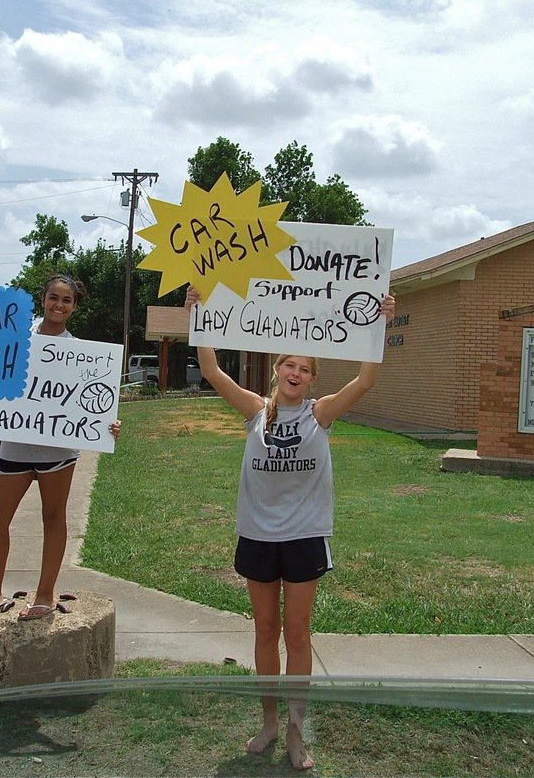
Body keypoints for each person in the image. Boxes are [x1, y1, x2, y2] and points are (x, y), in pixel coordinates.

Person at [185, 285, 395, 772]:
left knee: (297, 635)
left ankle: (297, 733)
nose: (296, 373)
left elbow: (365, 380)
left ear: (312, 377)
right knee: (264, 631)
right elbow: (213, 371)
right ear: (278, 369)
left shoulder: (321, 415)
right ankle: (268, 722)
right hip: (257, 534)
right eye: (289, 366)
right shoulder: (255, 411)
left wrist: (378, 321)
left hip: (304, 537)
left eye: (305, 368)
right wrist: (198, 315)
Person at [0, 274, 121, 622]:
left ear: (75, 306)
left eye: (66, 300)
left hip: (58, 452)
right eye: (53, 297)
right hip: (15, 448)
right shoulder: (14, 342)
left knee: (54, 518)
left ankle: (45, 595)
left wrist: (107, 425)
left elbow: (94, 407)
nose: (58, 305)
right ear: (42, 299)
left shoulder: (82, 354)